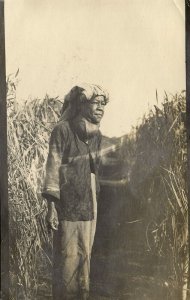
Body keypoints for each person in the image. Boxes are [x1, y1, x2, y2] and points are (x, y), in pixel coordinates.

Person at [42, 84, 109, 300]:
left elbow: (95, 174)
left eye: (104, 104)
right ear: (82, 104)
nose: (101, 108)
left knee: (85, 258)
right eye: (96, 102)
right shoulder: (62, 131)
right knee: (67, 260)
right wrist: (51, 207)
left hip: (89, 209)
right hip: (67, 208)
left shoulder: (96, 137)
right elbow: (52, 167)